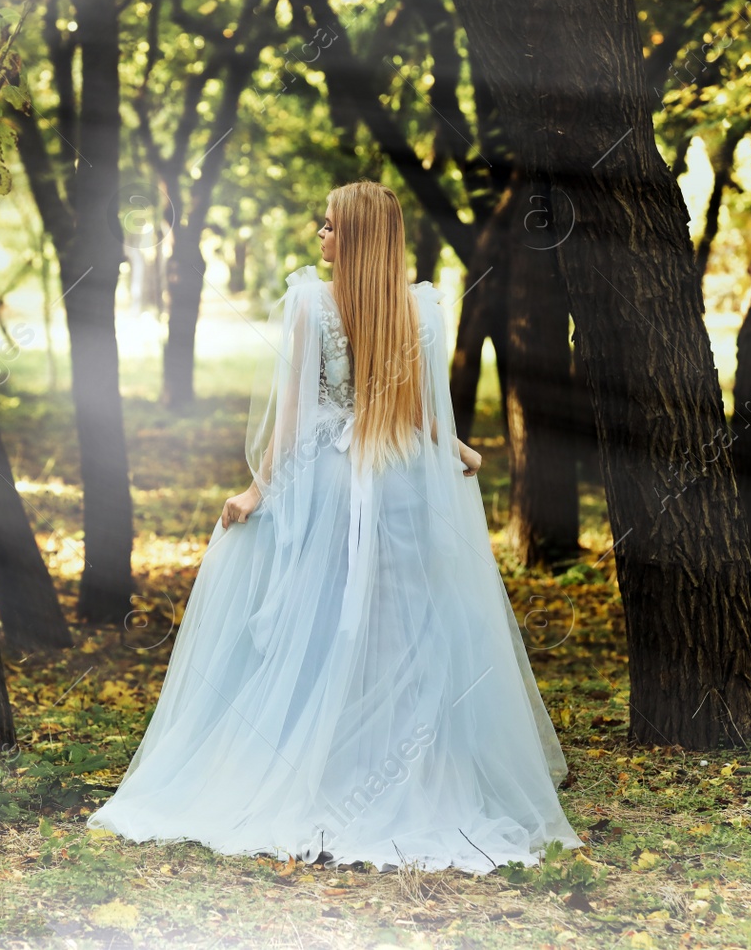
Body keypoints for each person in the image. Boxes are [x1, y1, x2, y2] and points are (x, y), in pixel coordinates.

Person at [87, 180, 581, 873]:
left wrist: (262, 486)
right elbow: (418, 410)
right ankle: (384, 769)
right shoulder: (422, 308)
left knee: (323, 627)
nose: (319, 236)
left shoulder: (312, 305)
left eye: (329, 226)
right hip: (401, 480)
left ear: (355, 238)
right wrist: (453, 446)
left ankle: (323, 770)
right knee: (397, 630)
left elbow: (295, 418)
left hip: (328, 481)